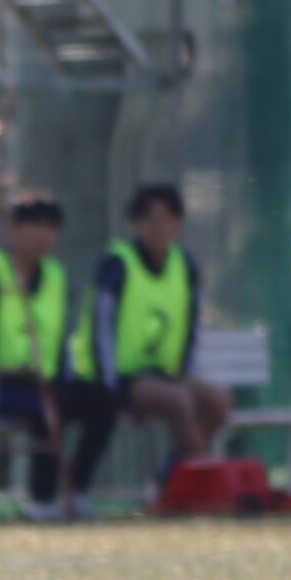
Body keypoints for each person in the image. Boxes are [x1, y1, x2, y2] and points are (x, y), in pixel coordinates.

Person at [0, 194, 117, 520]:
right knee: (45, 410)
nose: (42, 234)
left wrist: (64, 383)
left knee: (103, 403)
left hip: (39, 381)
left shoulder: (57, 275)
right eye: (33, 225)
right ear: (13, 228)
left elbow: (61, 339)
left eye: (50, 226)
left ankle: (75, 491)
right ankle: (42, 500)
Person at [70, 183, 228, 483]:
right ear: (135, 223)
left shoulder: (185, 265)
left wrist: (186, 370)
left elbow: (192, 326)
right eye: (150, 219)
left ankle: (174, 479)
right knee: (179, 400)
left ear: (178, 222)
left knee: (218, 398)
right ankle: (204, 481)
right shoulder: (117, 264)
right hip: (123, 379)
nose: (159, 227)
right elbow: (101, 326)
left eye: (168, 218)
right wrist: (109, 386)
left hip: (168, 374)